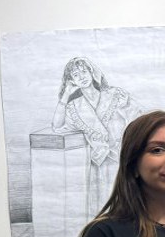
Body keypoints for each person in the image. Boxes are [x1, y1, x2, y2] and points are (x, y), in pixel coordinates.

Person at [52, 57, 143, 217]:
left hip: (123, 159)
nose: (81, 77)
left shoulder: (115, 95)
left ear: (91, 72)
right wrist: (65, 95)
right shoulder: (74, 106)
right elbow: (57, 126)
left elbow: (139, 117)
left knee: (129, 207)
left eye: (84, 71)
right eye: (75, 75)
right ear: (71, 81)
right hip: (99, 163)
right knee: (103, 210)